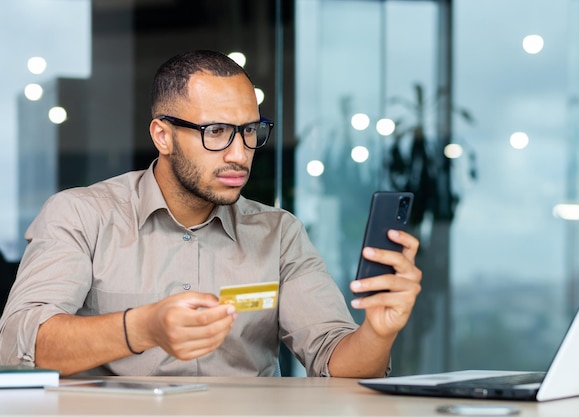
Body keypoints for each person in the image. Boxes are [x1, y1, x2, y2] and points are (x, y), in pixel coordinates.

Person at [0, 50, 422, 378]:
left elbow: (336, 361)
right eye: (215, 132)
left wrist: (378, 332)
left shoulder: (279, 233)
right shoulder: (81, 215)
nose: (240, 154)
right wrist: (143, 328)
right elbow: (20, 346)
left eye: (249, 131)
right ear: (162, 135)